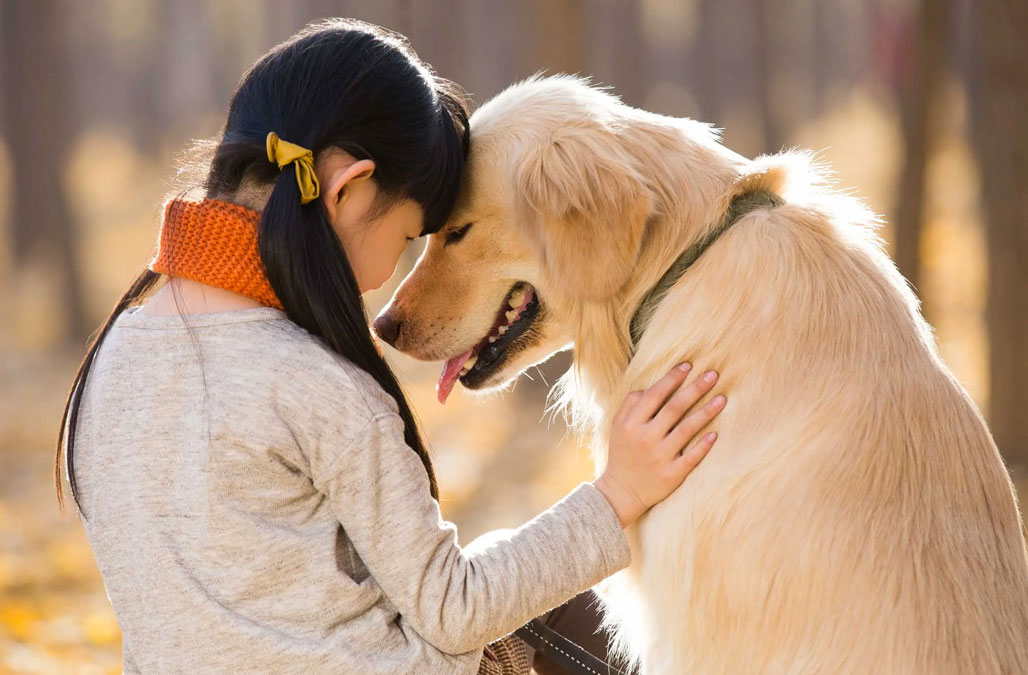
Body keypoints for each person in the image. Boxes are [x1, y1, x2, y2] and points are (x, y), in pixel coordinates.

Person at [56, 19, 726, 675]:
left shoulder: (115, 354)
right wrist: (618, 491)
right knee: (547, 600)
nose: (390, 284)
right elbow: (455, 609)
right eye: (406, 239)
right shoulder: (314, 386)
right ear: (348, 188)